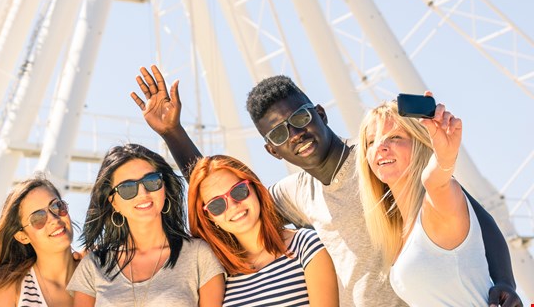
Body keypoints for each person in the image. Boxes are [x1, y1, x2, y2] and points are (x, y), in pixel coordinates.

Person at [129, 65, 521, 307]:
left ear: (319, 113)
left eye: (299, 117)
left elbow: (473, 216)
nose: (296, 133)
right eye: (280, 133)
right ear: (272, 150)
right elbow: (223, 196)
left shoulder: (378, 160)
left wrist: (504, 280)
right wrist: (173, 132)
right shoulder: (292, 195)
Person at [357, 96, 494, 305]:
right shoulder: (401, 232)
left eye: (394, 137)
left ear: (420, 144)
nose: (381, 147)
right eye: (371, 141)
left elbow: (436, 181)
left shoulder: (437, 204)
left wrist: (444, 157)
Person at [67, 143, 225, 306]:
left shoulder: (199, 255)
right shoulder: (93, 265)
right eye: (127, 188)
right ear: (114, 203)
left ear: (164, 187)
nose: (143, 193)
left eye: (151, 181)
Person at [189, 155, 338, 306]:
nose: (233, 205)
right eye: (217, 204)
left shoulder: (306, 246)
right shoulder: (219, 274)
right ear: (209, 218)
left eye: (238, 191)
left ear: (255, 188)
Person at [0, 175, 76, 306]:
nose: (54, 219)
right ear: (22, 236)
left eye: (56, 206)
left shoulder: (99, 272)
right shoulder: (10, 291)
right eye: (38, 218)